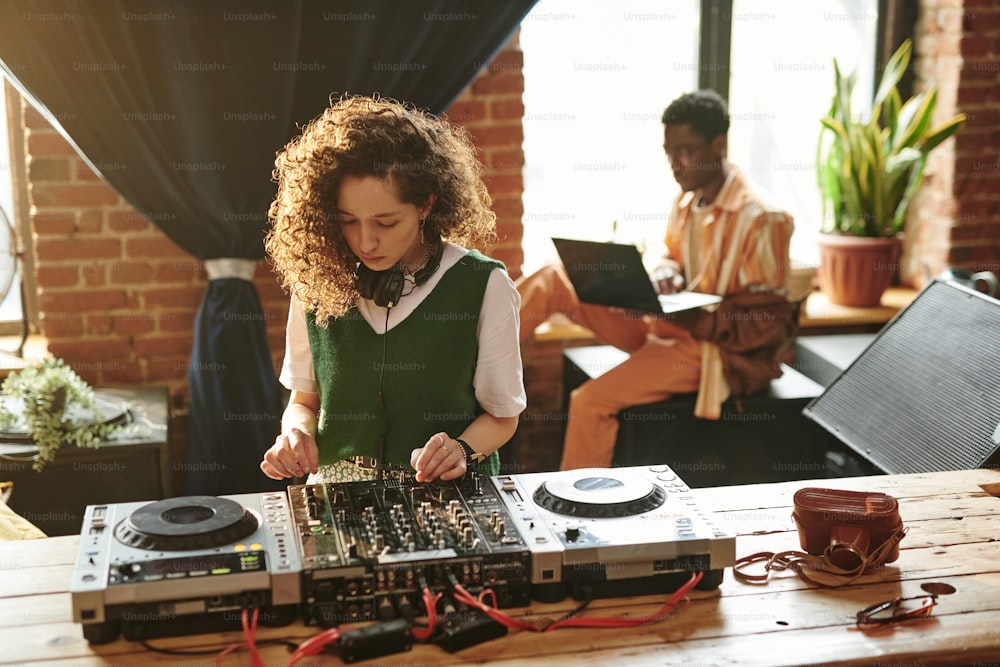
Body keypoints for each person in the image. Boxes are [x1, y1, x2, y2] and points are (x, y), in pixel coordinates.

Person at [517, 89, 794, 470]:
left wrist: (696, 318)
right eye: (668, 153)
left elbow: (771, 324)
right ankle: (469, 358)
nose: (675, 164)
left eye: (685, 152)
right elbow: (671, 253)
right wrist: (666, 269)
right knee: (553, 276)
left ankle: (575, 513)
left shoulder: (763, 217)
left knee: (589, 402)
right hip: (661, 326)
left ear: (719, 144)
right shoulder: (685, 201)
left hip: (705, 352)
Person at [261, 95, 525, 484]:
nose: (366, 242)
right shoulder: (314, 282)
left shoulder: (486, 286)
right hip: (334, 501)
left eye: (385, 222)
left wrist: (463, 450)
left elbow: (503, 417)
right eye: (349, 221)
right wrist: (295, 434)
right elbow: (304, 402)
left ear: (426, 205)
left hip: (444, 497)